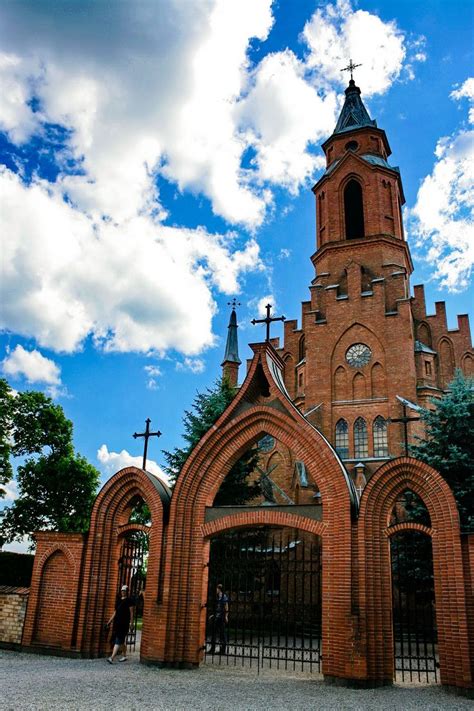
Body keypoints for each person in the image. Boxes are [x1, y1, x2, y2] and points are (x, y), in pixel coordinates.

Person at [106, 584, 135, 664]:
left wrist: (131, 624)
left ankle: (111, 658)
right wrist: (109, 621)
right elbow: (115, 612)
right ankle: (125, 656)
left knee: (118, 640)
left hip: (124, 624)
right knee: (121, 641)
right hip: (117, 623)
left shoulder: (130, 600)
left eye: (124, 591)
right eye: (122, 590)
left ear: (127, 591)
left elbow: (132, 613)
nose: (123, 592)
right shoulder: (118, 601)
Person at [208, 583, 228, 655]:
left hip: (221, 617)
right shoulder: (217, 597)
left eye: (216, 589)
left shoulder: (223, 596)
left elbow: (226, 607)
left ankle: (222, 650)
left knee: (222, 634)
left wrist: (226, 616)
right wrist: (213, 615)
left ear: (219, 589)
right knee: (214, 633)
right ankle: (212, 649)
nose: (215, 590)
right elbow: (217, 608)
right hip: (216, 617)